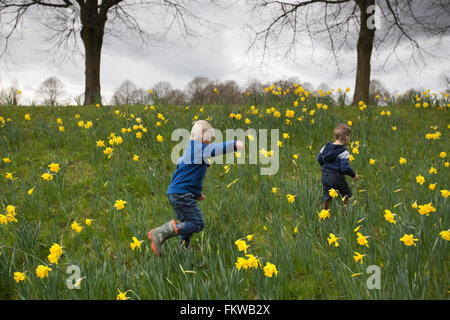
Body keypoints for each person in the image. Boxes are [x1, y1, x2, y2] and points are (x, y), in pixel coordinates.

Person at [148, 120, 244, 257]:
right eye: (209, 140)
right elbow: (217, 149)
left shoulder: (188, 153)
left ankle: (183, 249)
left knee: (186, 223)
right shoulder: (199, 149)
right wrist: (234, 145)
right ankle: (161, 232)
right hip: (181, 194)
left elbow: (185, 175)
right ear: (205, 139)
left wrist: (196, 194)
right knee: (197, 223)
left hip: (175, 193)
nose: (209, 143)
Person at [317, 123, 358, 210]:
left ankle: (324, 215)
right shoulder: (343, 152)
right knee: (347, 195)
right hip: (337, 177)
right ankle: (347, 215)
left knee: (326, 196)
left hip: (325, 175)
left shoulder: (325, 147)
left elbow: (319, 159)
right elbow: (345, 168)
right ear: (347, 137)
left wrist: (326, 167)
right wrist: (353, 175)